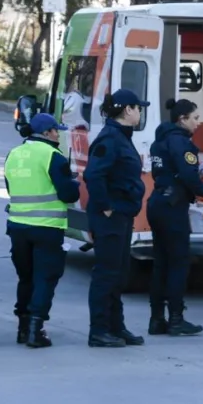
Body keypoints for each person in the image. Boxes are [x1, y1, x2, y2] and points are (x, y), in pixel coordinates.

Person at [4, 113, 80, 348]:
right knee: (45, 278)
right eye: (56, 130)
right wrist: (74, 183)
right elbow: (68, 194)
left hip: (17, 226)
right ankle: (36, 330)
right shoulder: (52, 156)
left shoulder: (13, 154)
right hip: (47, 227)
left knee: (25, 278)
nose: (59, 134)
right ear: (47, 133)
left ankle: (23, 328)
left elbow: (11, 187)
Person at [83, 88, 149, 348]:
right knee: (106, 274)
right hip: (110, 216)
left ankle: (116, 326)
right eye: (138, 108)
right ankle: (99, 330)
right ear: (127, 110)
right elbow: (94, 175)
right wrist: (106, 206)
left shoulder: (121, 136)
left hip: (122, 214)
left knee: (119, 273)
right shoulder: (110, 138)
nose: (140, 112)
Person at [147, 98, 203, 337]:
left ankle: (156, 319)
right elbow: (187, 173)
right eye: (195, 118)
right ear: (182, 119)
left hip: (157, 202)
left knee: (160, 263)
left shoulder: (160, 140)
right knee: (177, 263)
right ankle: (176, 318)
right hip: (173, 207)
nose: (199, 122)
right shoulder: (181, 142)